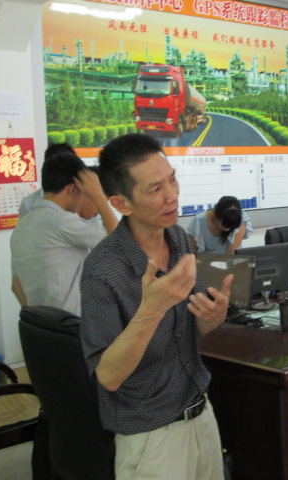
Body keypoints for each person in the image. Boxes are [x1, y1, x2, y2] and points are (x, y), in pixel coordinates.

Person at [80, 133, 233, 480]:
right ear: (122, 203)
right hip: (150, 437)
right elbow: (108, 376)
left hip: (200, 414)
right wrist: (152, 308)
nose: (172, 196)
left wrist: (213, 317)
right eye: (155, 189)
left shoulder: (180, 239)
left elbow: (189, 331)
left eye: (172, 180)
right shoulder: (103, 270)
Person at [10, 152, 117, 315]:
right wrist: (98, 196)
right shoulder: (61, 221)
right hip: (71, 323)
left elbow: (16, 284)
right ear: (73, 189)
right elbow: (119, 242)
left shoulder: (23, 225)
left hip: (40, 322)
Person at [187, 195, 253, 254]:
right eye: (224, 225)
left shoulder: (239, 218)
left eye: (230, 227)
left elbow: (231, 254)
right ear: (215, 214)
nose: (227, 229)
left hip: (228, 260)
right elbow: (193, 254)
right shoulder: (199, 222)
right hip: (205, 261)